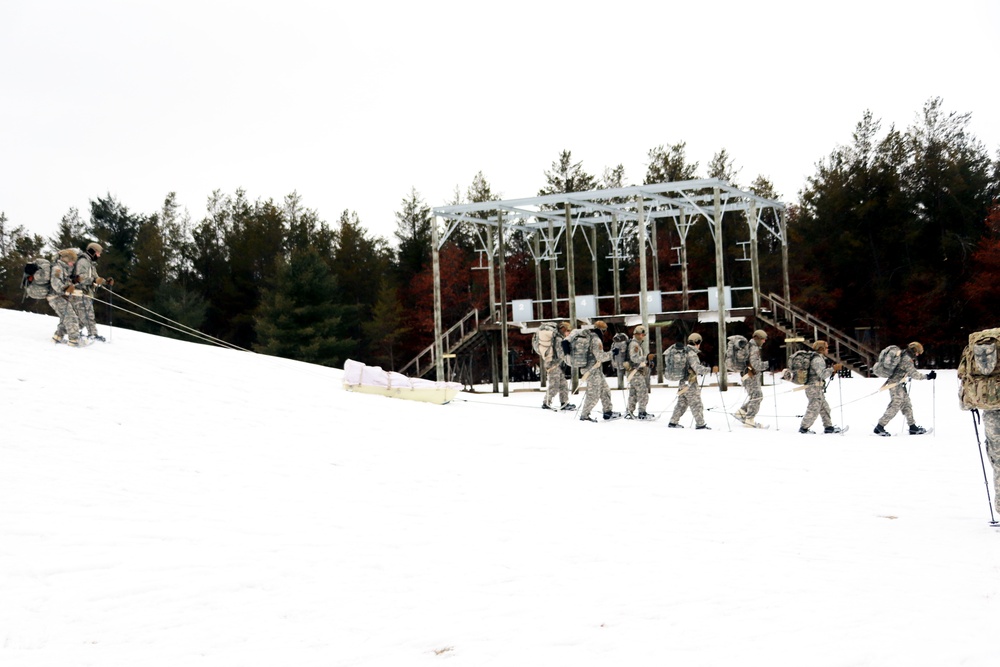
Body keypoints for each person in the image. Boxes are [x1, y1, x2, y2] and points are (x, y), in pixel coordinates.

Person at [874, 341, 935, 436]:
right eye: (918, 352)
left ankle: (912, 427)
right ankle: (879, 426)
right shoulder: (907, 359)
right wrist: (927, 376)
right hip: (895, 384)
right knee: (896, 405)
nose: (918, 355)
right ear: (915, 351)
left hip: (898, 383)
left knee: (907, 404)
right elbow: (914, 374)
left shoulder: (904, 354)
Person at [667, 332, 714, 429]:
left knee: (682, 404)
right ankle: (700, 424)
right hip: (690, 383)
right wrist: (711, 370)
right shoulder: (691, 353)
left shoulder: (684, 351)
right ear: (697, 342)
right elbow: (697, 368)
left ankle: (673, 422)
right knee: (696, 404)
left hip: (683, 382)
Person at [799, 340, 844, 434]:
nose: (828, 350)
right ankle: (803, 428)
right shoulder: (817, 360)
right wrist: (833, 369)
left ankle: (828, 427)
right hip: (813, 388)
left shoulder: (818, 358)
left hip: (817, 388)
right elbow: (822, 374)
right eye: (826, 348)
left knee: (825, 408)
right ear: (821, 349)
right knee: (814, 408)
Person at [579, 320, 618, 422]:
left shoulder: (590, 337)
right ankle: (584, 415)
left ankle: (608, 412)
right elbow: (600, 357)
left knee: (605, 390)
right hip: (592, 371)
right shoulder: (596, 340)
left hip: (595, 369)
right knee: (594, 394)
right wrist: (612, 353)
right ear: (603, 330)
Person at [73, 242, 112, 341]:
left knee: (81, 317)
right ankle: (93, 334)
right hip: (80, 292)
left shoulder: (90, 264)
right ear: (93, 252)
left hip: (86, 293)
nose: (99, 256)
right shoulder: (83, 262)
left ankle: (71, 332)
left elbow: (95, 278)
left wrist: (105, 282)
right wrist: (93, 280)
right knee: (88, 314)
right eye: (98, 253)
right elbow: (80, 278)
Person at [47, 248, 83, 346]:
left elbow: (66, 282)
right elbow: (56, 284)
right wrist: (65, 288)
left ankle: (58, 336)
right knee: (71, 317)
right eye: (72, 261)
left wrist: (74, 282)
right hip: (55, 297)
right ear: (66, 259)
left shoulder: (64, 269)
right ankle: (74, 340)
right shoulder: (57, 269)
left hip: (61, 297)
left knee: (65, 317)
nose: (73, 264)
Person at [735, 329, 769, 427]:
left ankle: (741, 412)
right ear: (757, 338)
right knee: (757, 396)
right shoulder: (753, 348)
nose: (764, 341)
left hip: (747, 375)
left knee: (756, 396)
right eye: (762, 339)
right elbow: (755, 365)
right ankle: (749, 420)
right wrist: (768, 364)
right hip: (751, 376)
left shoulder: (748, 346)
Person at [541, 321, 575, 412]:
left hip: (556, 364)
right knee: (554, 385)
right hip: (552, 364)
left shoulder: (560, 338)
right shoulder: (559, 339)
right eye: (568, 331)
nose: (569, 333)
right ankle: (546, 402)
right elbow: (560, 354)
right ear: (563, 330)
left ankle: (564, 403)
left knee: (563, 384)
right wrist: (568, 355)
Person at [625, 325, 653, 420]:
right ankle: (642, 413)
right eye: (641, 334)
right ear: (636, 334)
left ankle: (630, 411)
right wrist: (646, 358)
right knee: (643, 392)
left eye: (644, 334)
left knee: (633, 393)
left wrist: (646, 363)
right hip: (635, 372)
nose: (643, 336)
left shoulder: (636, 344)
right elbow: (634, 358)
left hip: (632, 372)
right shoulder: (635, 345)